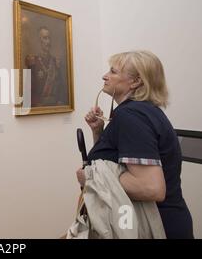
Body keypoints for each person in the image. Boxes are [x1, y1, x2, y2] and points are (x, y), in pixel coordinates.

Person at [76, 50, 194, 239]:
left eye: (113, 72)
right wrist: (98, 131)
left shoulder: (131, 116)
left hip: (155, 227)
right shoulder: (142, 111)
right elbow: (113, 162)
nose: (105, 76)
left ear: (136, 81)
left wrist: (91, 178)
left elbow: (151, 187)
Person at [25, 26, 66, 107]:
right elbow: (29, 88)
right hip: (39, 107)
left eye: (49, 38)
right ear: (39, 41)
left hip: (55, 107)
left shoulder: (55, 62)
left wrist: (60, 102)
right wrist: (36, 104)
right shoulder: (33, 62)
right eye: (45, 38)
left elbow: (61, 87)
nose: (48, 41)